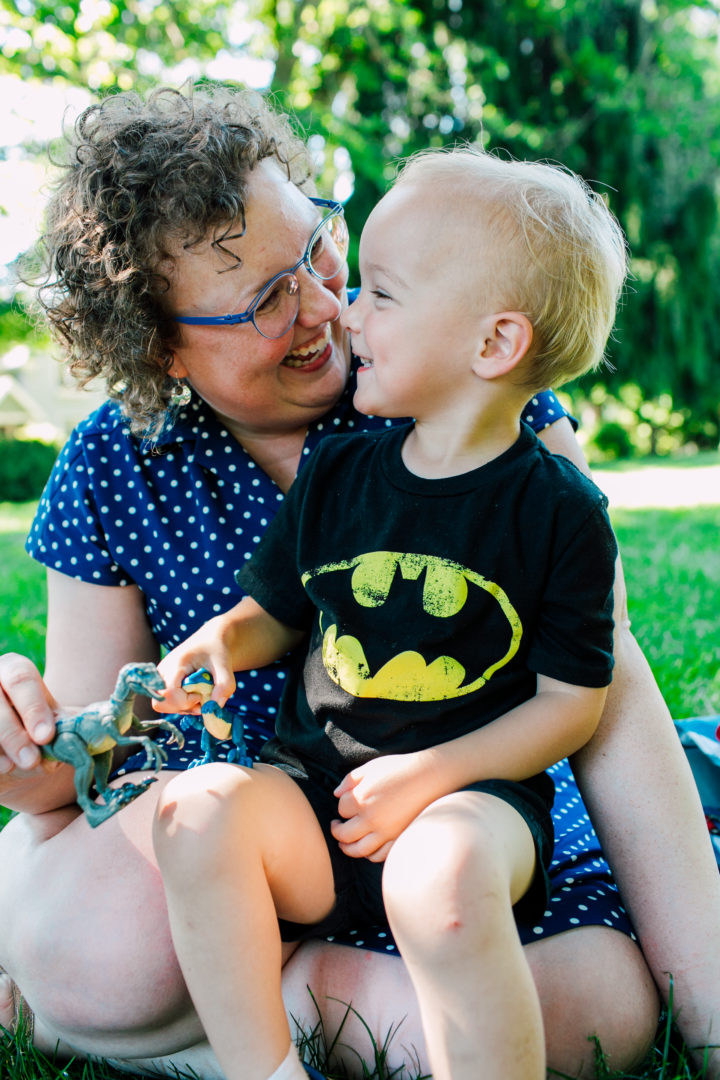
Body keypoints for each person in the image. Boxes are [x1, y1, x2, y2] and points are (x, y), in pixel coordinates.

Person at [0, 82, 712, 1078]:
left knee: (601, 1008)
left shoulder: (461, 389)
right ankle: (226, 1010)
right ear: (163, 347)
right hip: (267, 832)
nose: (327, 307)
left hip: (460, 815)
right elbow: (95, 764)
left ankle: (230, 1022)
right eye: (265, 299)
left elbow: (597, 678)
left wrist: (709, 992)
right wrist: (30, 747)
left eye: (318, 249)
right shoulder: (118, 463)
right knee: (101, 954)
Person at [150, 145, 626, 1080]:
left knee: (439, 878)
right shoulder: (339, 476)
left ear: (493, 344)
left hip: (471, 808)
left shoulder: (560, 512)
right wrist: (222, 642)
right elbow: (275, 613)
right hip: (316, 803)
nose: (344, 311)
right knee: (196, 812)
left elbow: (572, 704)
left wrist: (430, 777)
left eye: (382, 294)